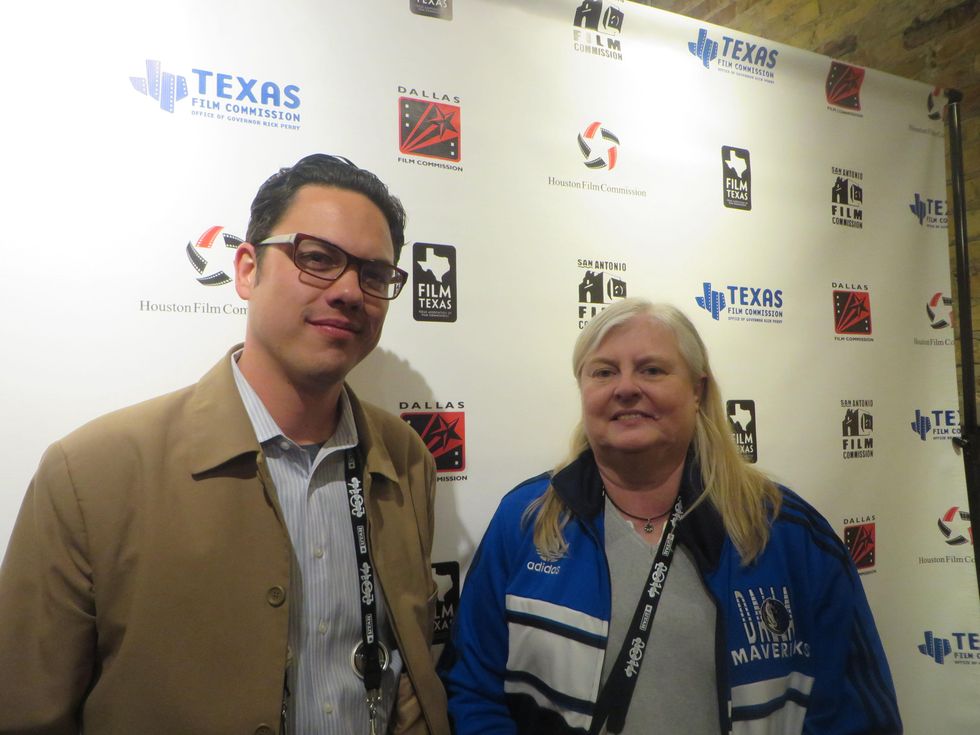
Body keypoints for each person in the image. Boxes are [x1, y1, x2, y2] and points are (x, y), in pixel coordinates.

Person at [0, 154, 450, 735]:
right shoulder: (92, 473)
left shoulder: (406, 460)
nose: (348, 292)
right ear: (245, 269)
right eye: (316, 258)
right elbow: (26, 712)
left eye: (374, 275)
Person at [444, 298, 901, 735]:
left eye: (652, 370)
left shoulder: (790, 534)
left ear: (697, 390)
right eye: (603, 371)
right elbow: (472, 686)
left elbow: (856, 715)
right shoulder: (525, 520)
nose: (625, 387)